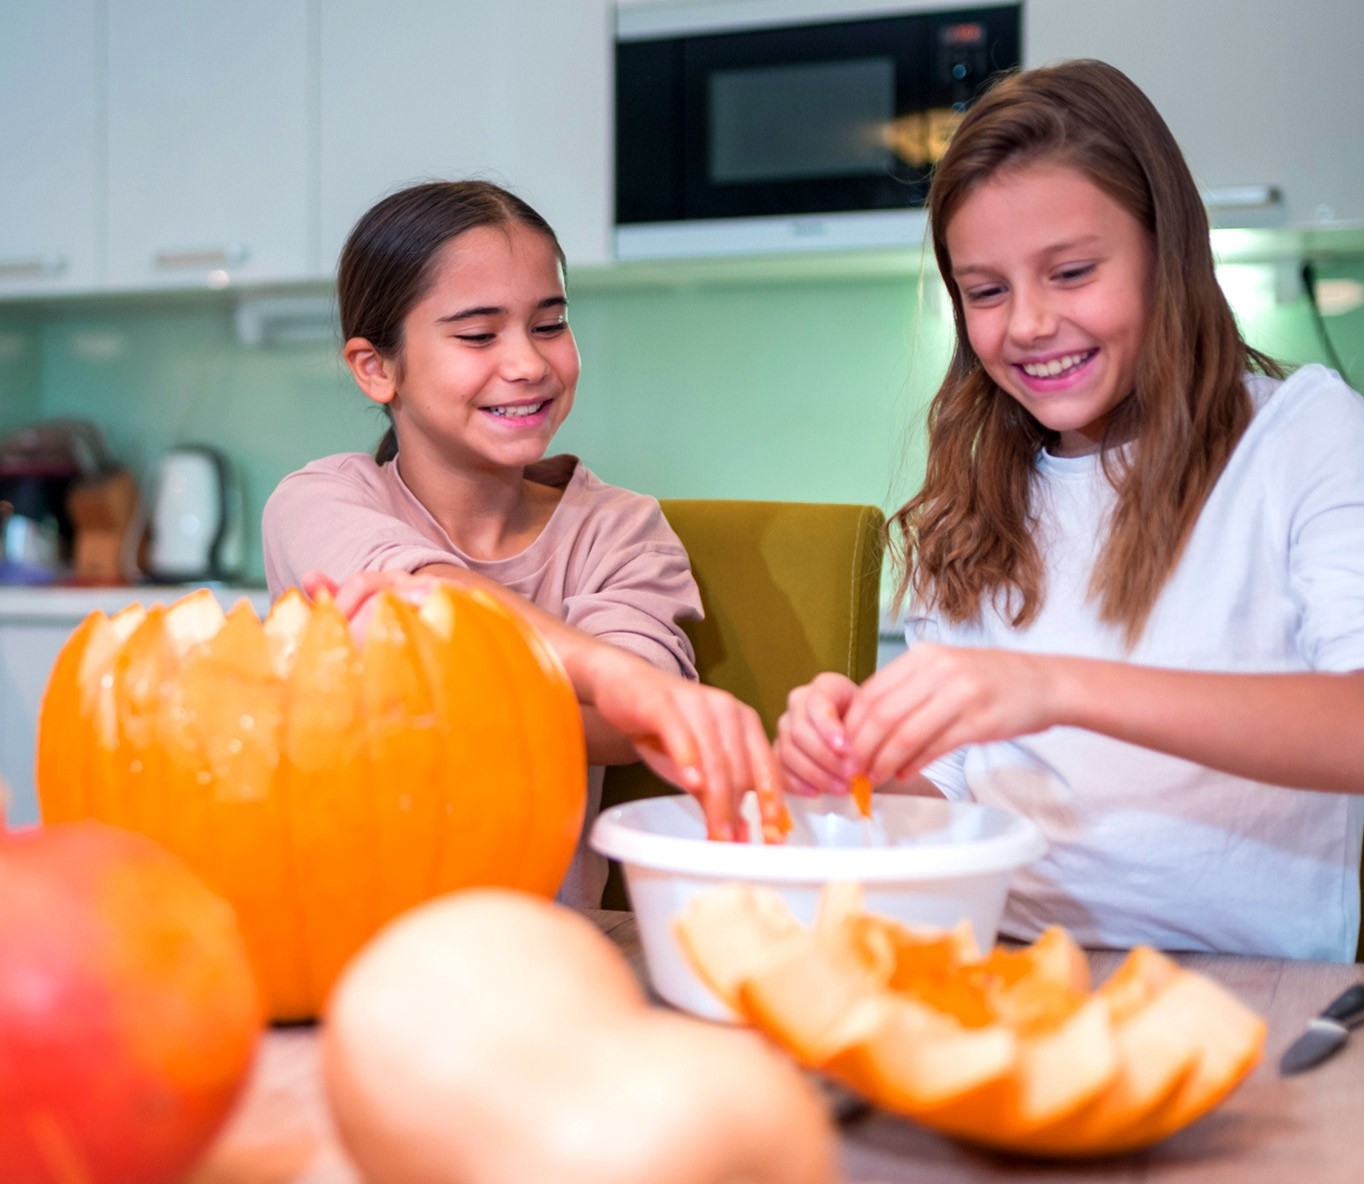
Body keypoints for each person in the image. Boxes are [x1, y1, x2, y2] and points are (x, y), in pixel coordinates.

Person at [777, 60, 1364, 962]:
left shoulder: (1304, 435)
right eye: (986, 291)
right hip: (1003, 962)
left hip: (1247, 984)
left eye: (1073, 271)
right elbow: (950, 792)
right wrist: (860, 765)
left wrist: (1054, 688)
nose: (1028, 324)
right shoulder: (979, 493)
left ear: (1168, 250)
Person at [263, 180, 785, 906]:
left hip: (550, 941)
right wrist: (614, 678)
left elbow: (631, 732)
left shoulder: (621, 528)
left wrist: (403, 703)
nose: (529, 363)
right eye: (478, 334)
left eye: (549, 324)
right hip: (347, 939)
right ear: (376, 368)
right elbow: (426, 588)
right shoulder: (320, 499)